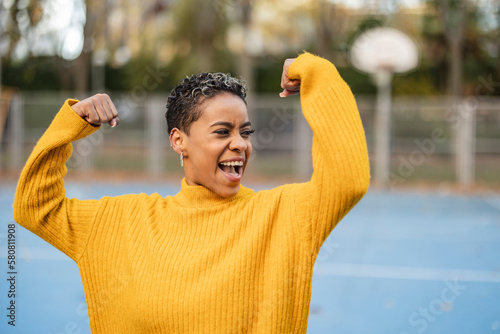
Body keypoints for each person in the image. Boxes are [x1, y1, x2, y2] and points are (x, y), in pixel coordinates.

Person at [14, 52, 370, 333]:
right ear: (178, 141)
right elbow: (35, 206)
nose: (240, 144)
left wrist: (314, 71)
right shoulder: (123, 221)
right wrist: (71, 124)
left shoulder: (283, 216)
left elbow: (347, 179)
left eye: (245, 132)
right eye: (222, 132)